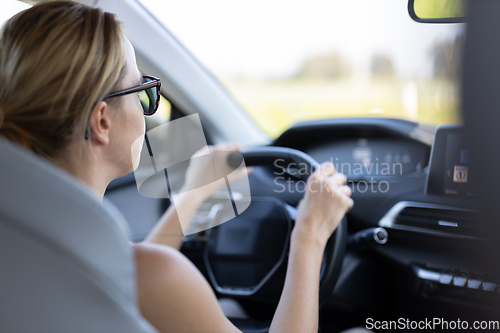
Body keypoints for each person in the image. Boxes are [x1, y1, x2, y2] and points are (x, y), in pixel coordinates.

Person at [0, 1, 353, 332]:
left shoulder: (29, 245)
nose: (144, 106)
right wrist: (310, 235)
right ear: (102, 121)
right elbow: (147, 276)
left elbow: (131, 278)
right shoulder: (156, 276)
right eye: (141, 91)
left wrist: (190, 200)